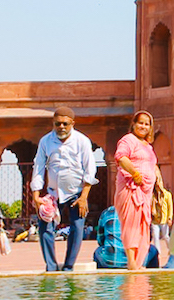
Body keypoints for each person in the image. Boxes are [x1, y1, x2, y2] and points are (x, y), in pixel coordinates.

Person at [30, 106, 99, 272]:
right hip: (53, 193)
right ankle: (51, 266)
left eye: (65, 124)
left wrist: (84, 198)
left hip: (76, 193)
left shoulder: (82, 141)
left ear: (72, 123)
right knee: (45, 226)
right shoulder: (46, 141)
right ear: (53, 123)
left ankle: (69, 266)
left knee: (77, 227)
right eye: (57, 124)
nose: (61, 127)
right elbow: (38, 167)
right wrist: (36, 195)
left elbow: (90, 170)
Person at [113, 110, 158, 270]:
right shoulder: (128, 140)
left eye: (147, 124)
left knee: (142, 225)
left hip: (145, 191)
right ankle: (131, 262)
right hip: (131, 188)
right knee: (131, 224)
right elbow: (121, 157)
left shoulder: (148, 146)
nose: (143, 126)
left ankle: (138, 262)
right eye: (140, 123)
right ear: (133, 124)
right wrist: (135, 173)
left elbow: (152, 166)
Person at [93, 205, 160, 269]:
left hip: (111, 260)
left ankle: (102, 278)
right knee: (153, 250)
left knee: (98, 251)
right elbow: (148, 239)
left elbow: (100, 239)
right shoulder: (142, 212)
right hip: (138, 261)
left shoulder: (107, 213)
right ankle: (152, 277)